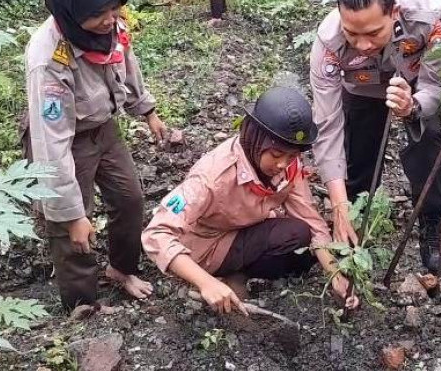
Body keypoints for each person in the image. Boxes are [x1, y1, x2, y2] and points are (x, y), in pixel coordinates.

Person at [23, 0, 168, 311]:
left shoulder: (111, 27)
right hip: (65, 140)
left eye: (114, 11)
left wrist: (147, 111)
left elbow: (126, 64)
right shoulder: (48, 59)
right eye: (99, 15)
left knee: (130, 199)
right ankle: (83, 305)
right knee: (70, 228)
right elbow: (51, 143)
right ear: (73, 12)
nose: (109, 22)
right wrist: (72, 214)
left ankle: (121, 268)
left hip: (102, 127)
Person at [142, 87, 359, 314]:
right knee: (294, 247)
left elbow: (311, 220)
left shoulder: (289, 168)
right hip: (204, 248)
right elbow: (155, 234)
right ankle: (221, 278)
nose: (283, 164)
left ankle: (239, 275)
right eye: (276, 155)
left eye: (292, 156)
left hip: (239, 231)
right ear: (256, 140)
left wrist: (335, 276)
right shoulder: (212, 176)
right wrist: (205, 282)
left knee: (300, 238)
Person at [310, 0, 441, 274]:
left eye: (374, 33)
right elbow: (327, 127)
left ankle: (431, 224)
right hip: (361, 86)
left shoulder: (432, 14)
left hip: (415, 83)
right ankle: (354, 220)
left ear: (394, 12)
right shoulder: (328, 43)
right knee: (358, 157)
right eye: (353, 33)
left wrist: (412, 107)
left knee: (427, 142)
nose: (362, 44)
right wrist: (338, 206)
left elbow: (438, 84)